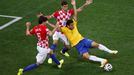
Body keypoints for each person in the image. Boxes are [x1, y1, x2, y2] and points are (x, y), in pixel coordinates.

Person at [60, 0, 118, 68]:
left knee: (96, 44)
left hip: (83, 40)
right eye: (71, 25)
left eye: (73, 24)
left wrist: (74, 5)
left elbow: (75, 14)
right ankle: (102, 60)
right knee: (86, 56)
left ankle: (110, 51)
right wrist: (57, 23)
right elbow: (56, 29)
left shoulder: (73, 23)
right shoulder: (64, 29)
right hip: (78, 45)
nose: (73, 26)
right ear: (68, 26)